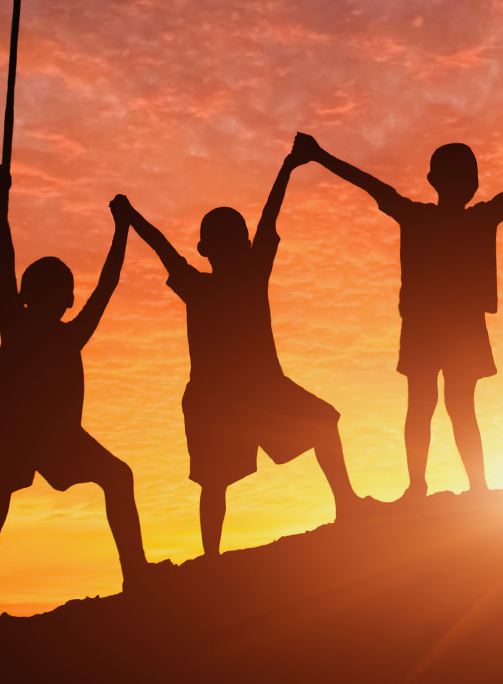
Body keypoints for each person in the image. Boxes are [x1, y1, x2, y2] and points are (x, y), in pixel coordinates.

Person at [295, 117, 503, 497]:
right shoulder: (467, 217)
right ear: (470, 183)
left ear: (433, 180)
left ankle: (433, 486)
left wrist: (319, 154)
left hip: (439, 329)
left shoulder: (422, 217)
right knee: (449, 406)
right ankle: (461, 486)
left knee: (427, 405)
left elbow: (369, 184)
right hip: (447, 329)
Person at [120, 139, 373, 556]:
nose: (236, 245)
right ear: (215, 248)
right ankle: (214, 555)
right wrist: (287, 167)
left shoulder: (216, 281)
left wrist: (131, 217)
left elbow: (166, 247)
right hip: (221, 398)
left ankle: (343, 505)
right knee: (216, 480)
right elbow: (263, 219)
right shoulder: (226, 279)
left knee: (316, 426)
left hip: (247, 391)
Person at [0, 165, 149, 618]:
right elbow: (104, 285)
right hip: (16, 433)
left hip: (39, 435)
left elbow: (4, 251)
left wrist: (1, 197)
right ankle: (136, 577)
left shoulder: (20, 321)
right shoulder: (51, 329)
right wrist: (121, 229)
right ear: (64, 299)